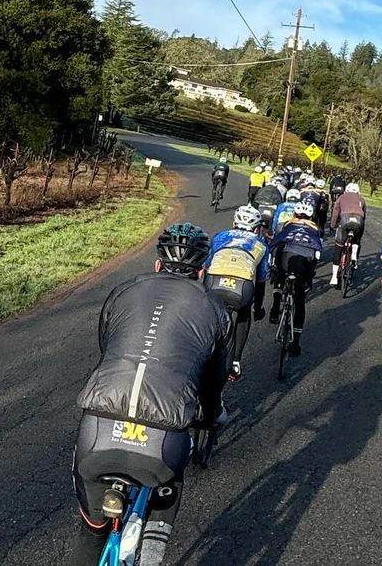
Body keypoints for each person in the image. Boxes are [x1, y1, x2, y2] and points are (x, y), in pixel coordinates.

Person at [70, 222, 231, 566]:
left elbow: (107, 347)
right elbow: (213, 380)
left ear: (157, 264)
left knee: (91, 532)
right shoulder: (216, 309)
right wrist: (212, 413)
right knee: (170, 482)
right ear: (203, 271)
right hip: (162, 440)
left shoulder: (124, 290)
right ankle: (153, 553)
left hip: (98, 425)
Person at [204, 205, 269, 381]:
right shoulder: (262, 244)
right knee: (243, 313)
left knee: (208, 312)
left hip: (214, 280)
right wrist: (258, 307)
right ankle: (236, 360)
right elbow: (261, 280)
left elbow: (207, 266)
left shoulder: (219, 236)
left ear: (234, 223)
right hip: (242, 287)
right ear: (256, 228)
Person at [269, 201, 323, 356]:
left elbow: (276, 244)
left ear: (295, 214)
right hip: (304, 262)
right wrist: (310, 275)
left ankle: (275, 307)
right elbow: (318, 252)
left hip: (286, 259)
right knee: (299, 302)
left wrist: (273, 265)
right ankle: (296, 343)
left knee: (279, 274)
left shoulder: (287, 224)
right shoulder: (315, 228)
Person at [329, 181, 366, 287]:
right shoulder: (362, 199)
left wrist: (333, 225)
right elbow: (365, 216)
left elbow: (335, 212)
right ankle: (354, 254)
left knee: (338, 247)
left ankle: (334, 277)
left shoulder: (341, 197)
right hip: (359, 221)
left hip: (345, 220)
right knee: (357, 238)